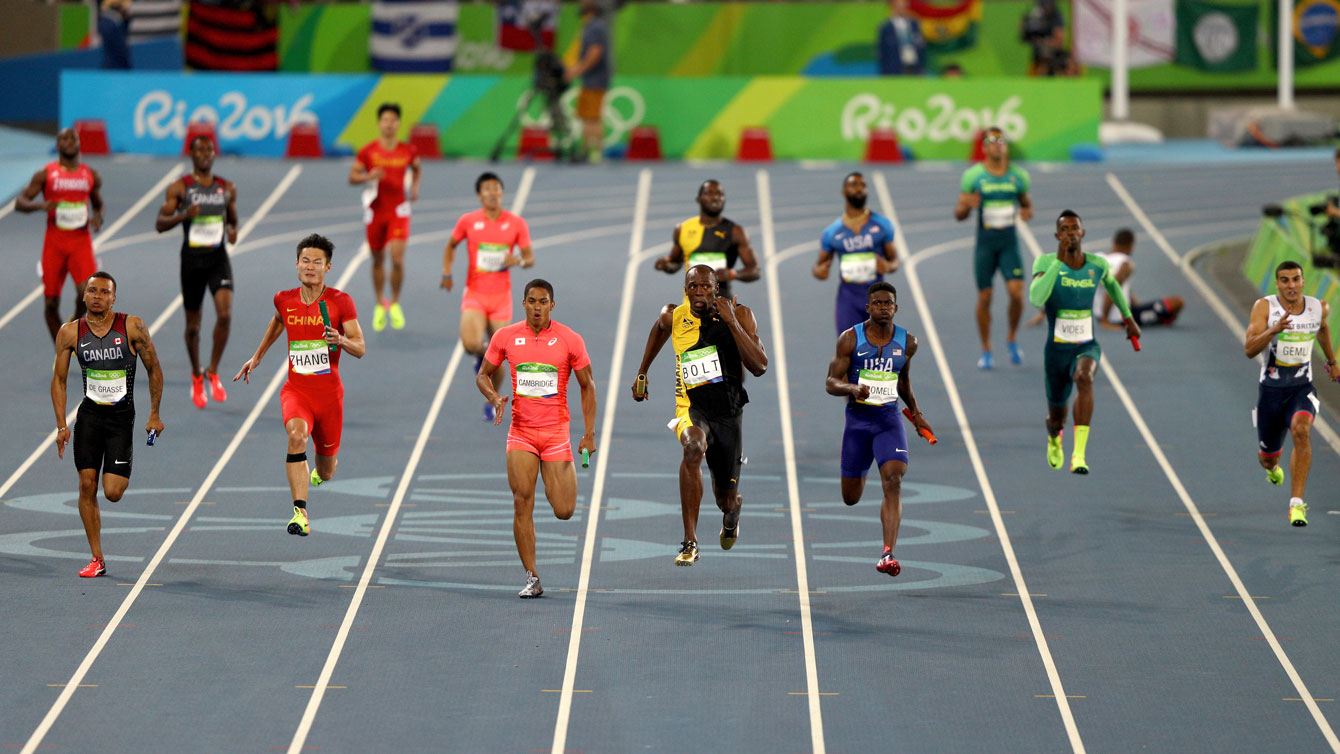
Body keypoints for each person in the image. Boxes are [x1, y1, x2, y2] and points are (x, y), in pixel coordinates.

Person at [631, 265, 768, 566]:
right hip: (692, 409)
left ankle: (733, 512)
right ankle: (689, 541)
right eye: (692, 287)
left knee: (725, 499)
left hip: (729, 415)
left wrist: (732, 322)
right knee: (692, 446)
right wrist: (643, 371)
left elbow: (759, 366)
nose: (698, 293)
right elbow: (659, 328)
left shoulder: (740, 314)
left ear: (716, 290)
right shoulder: (675, 316)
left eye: (705, 287)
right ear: (685, 290)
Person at [233, 234, 366, 536]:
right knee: (296, 436)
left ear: (328, 267)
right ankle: (300, 513)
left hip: (330, 397)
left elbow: (361, 347)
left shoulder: (340, 302)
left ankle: (319, 473)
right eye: (305, 261)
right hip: (297, 391)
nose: (310, 267)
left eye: (317, 262)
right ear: (296, 264)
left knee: (328, 471)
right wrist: (257, 357)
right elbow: (279, 321)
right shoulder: (284, 298)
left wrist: (341, 340)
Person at [477, 279, 597, 598]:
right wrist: (494, 397)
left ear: (551, 305)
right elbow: (483, 374)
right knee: (521, 502)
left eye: (543, 302)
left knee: (564, 510)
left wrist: (588, 434)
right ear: (524, 304)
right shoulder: (506, 336)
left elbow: (588, 385)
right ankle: (532, 576)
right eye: (531, 301)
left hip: (556, 433)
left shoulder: (569, 339)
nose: (537, 307)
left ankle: (555, 478)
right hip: (521, 433)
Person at [50, 271, 164, 578]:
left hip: (120, 419)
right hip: (89, 417)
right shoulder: (70, 333)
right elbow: (59, 380)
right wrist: (62, 426)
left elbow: (154, 369)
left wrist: (154, 413)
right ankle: (97, 558)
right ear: (84, 296)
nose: (97, 296)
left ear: (114, 298)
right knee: (86, 484)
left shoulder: (132, 326)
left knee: (112, 491)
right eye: (92, 291)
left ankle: (119, 469)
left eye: (104, 292)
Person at [825, 282, 934, 578]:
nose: (883, 308)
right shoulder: (850, 339)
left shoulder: (907, 342)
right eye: (878, 303)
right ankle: (859, 473)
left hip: (888, 420)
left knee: (894, 480)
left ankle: (888, 553)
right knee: (851, 497)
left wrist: (917, 414)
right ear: (868, 307)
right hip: (858, 423)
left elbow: (903, 381)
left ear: (895, 308)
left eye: (889, 304)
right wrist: (851, 387)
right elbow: (830, 382)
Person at [1028, 210, 1139, 474]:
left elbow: (1112, 285)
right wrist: (1058, 262)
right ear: (1057, 236)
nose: (1070, 233)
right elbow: (1036, 298)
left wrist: (1128, 317)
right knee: (1057, 416)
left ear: (1083, 233)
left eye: (1074, 228)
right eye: (1064, 230)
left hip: (1086, 345)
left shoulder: (1096, 265)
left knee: (1085, 378)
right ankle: (1055, 436)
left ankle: (1078, 454)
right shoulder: (1044, 262)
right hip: (1056, 350)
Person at [1244, 260, 1340, 527]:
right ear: (1277, 284)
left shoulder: (1318, 307)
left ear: (1302, 281)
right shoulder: (1264, 307)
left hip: (1301, 388)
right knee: (1267, 458)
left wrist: (1332, 362)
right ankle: (1273, 468)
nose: (1291, 285)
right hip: (1271, 392)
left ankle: (1296, 504)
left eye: (1295, 279)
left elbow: (1322, 329)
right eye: (1285, 280)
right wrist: (1273, 330)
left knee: (1302, 430)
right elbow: (1249, 349)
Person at [443, 172, 535, 422]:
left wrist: (519, 260)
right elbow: (451, 245)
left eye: (497, 188)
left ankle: (491, 398)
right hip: (475, 293)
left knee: (500, 358)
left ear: (502, 193)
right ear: (479, 195)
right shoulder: (468, 221)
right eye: (487, 189)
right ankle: (480, 355)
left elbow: (530, 258)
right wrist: (447, 273)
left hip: (501, 299)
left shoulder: (516, 223)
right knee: (471, 345)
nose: (493, 193)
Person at [155, 135, 238, 409]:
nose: (205, 154)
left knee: (225, 315)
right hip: (191, 261)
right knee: (193, 326)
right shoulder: (180, 187)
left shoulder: (225, 188)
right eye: (200, 150)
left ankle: (212, 371)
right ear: (191, 154)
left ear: (214, 154)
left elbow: (233, 219)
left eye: (209, 150)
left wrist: (233, 230)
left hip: (217, 259)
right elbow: (159, 223)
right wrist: (183, 215)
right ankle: (195, 374)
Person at [15, 128, 104, 342]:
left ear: (79, 144)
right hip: (54, 243)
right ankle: (62, 346)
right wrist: (41, 205)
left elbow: (98, 204)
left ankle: (74, 322)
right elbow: (20, 203)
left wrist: (98, 217)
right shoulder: (46, 174)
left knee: (87, 296)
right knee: (51, 304)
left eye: (73, 138)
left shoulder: (90, 175)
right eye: (64, 138)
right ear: (57, 146)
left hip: (80, 242)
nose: (70, 141)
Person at [955, 126, 1032, 369]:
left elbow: (1026, 203)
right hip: (986, 246)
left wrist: (1027, 210)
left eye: (1001, 140)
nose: (998, 144)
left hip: (1009, 245)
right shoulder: (973, 176)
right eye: (992, 140)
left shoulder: (1019, 176)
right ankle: (986, 348)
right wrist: (967, 206)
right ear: (985, 147)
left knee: (1017, 295)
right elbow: (959, 214)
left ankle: (1011, 337)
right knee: (985, 297)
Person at [349, 102, 420, 332]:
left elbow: (417, 168)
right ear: (380, 124)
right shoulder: (369, 151)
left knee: (397, 258)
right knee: (378, 259)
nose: (389, 124)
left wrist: (415, 187)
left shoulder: (408, 150)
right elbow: (352, 176)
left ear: (398, 123)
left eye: (393, 120)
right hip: (375, 211)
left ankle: (396, 302)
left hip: (398, 211)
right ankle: (381, 302)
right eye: (385, 120)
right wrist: (369, 175)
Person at [814, 172, 900, 335]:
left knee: (878, 352)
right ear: (844, 191)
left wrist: (888, 266)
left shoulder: (883, 225)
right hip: (848, 300)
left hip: (878, 302)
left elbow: (894, 261)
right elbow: (818, 267)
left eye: (863, 185)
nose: (859, 189)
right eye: (854, 185)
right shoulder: (832, 232)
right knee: (847, 350)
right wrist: (820, 271)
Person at [653, 180, 760, 301]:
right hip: (691, 309)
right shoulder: (683, 229)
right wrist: (666, 265)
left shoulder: (736, 232)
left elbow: (754, 270)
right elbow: (675, 263)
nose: (715, 197)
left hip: (721, 307)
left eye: (720, 194)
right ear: (699, 199)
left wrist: (733, 274)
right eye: (709, 193)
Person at [1093, 229, 1184, 330]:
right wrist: (1105, 320)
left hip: (1098, 314)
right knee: (1178, 302)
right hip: (1119, 318)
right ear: (1131, 245)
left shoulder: (1097, 258)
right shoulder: (1125, 264)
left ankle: (1148, 316)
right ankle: (1157, 320)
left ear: (1114, 242)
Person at [565, 0, 611, 162]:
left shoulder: (595, 27)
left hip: (595, 79)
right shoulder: (591, 26)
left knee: (593, 117)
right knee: (586, 116)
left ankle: (596, 152)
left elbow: (595, 52)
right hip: (590, 79)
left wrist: (578, 69)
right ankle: (586, 150)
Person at [877, 0, 926, 76]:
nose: (902, 8)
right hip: (894, 68)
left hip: (914, 66)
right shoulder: (886, 27)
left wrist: (922, 67)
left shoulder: (914, 24)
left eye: (904, 6)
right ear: (893, 7)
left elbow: (920, 45)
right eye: (899, 5)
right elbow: (882, 52)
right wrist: (885, 72)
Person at [98, 0, 132, 69]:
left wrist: (126, 21)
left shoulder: (117, 22)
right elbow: (121, 49)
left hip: (117, 67)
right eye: (124, 7)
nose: (126, 9)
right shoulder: (109, 24)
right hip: (114, 68)